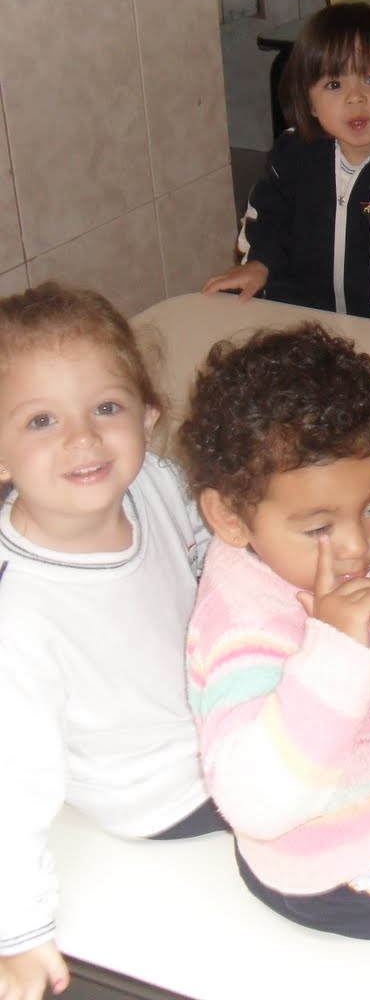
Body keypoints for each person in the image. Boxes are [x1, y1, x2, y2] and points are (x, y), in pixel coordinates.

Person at [179, 324, 370, 938]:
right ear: (230, 517)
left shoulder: (276, 558)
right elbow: (256, 804)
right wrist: (335, 649)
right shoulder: (243, 638)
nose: (356, 545)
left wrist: (337, 569)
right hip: (355, 869)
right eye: (320, 528)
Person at [0, 283, 222, 1000]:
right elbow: (10, 785)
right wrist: (18, 935)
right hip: (166, 788)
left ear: (147, 416)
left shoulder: (152, 479)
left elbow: (208, 543)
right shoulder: (19, 611)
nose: (83, 438)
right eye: (41, 420)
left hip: (223, 711)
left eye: (106, 408)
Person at [202, 2, 370, 328]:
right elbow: (268, 218)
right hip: (305, 326)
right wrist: (259, 264)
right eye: (334, 85)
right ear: (310, 103)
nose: (355, 97)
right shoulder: (293, 154)